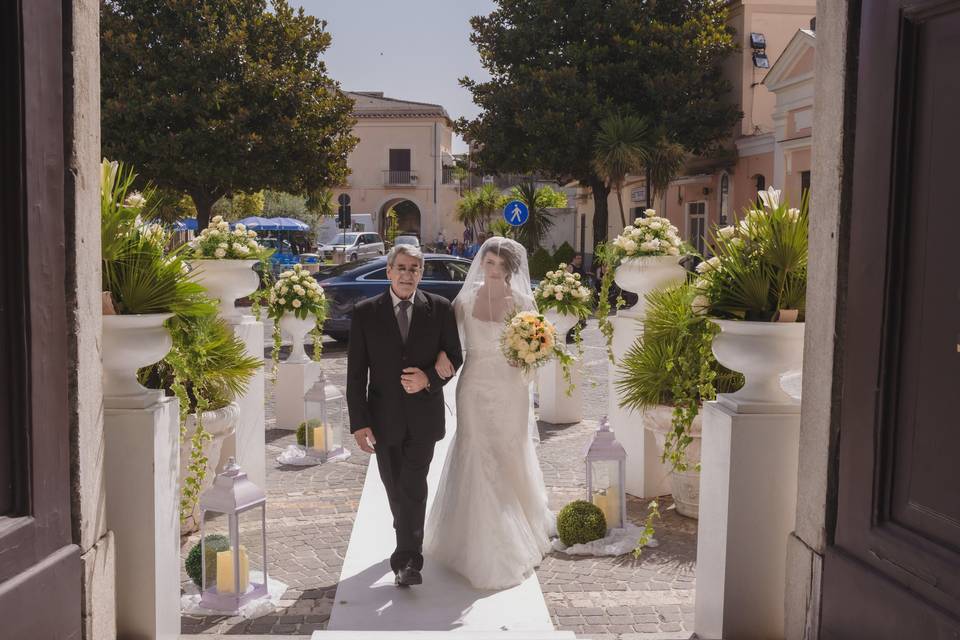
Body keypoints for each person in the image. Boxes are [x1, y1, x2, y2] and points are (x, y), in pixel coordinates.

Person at [424, 237, 554, 590]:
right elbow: (443, 339)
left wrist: (530, 358)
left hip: (511, 388)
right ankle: (472, 537)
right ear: (481, 263)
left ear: (511, 269)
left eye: (501, 264)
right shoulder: (465, 300)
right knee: (475, 449)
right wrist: (437, 357)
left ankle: (521, 524)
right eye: (489, 263)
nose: (494, 269)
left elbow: (541, 347)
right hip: (475, 386)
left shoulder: (526, 302)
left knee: (509, 450)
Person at [346, 245, 463, 588]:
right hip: (383, 420)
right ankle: (407, 541)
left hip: (424, 418)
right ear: (388, 271)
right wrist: (359, 422)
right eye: (401, 267)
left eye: (414, 268)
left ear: (421, 273)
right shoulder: (365, 312)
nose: (407, 274)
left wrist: (430, 377)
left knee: (412, 486)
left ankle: (408, 560)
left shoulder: (439, 309)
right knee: (395, 489)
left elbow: (454, 357)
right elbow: (356, 374)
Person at [565, 253, 587, 344]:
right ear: (573, 259)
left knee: (580, 315)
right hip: (572, 293)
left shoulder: (579, 267)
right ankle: (568, 334)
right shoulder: (570, 267)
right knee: (573, 313)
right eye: (578, 258)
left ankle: (573, 332)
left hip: (579, 293)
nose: (580, 260)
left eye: (581, 258)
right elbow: (566, 277)